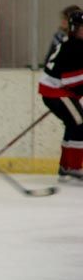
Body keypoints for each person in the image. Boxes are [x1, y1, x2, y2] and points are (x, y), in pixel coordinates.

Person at [39, 9, 83, 182]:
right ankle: (72, 166)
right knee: (80, 124)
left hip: (55, 90)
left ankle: (66, 166)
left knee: (73, 123)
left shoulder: (71, 43)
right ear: (74, 28)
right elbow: (69, 80)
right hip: (56, 91)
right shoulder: (75, 47)